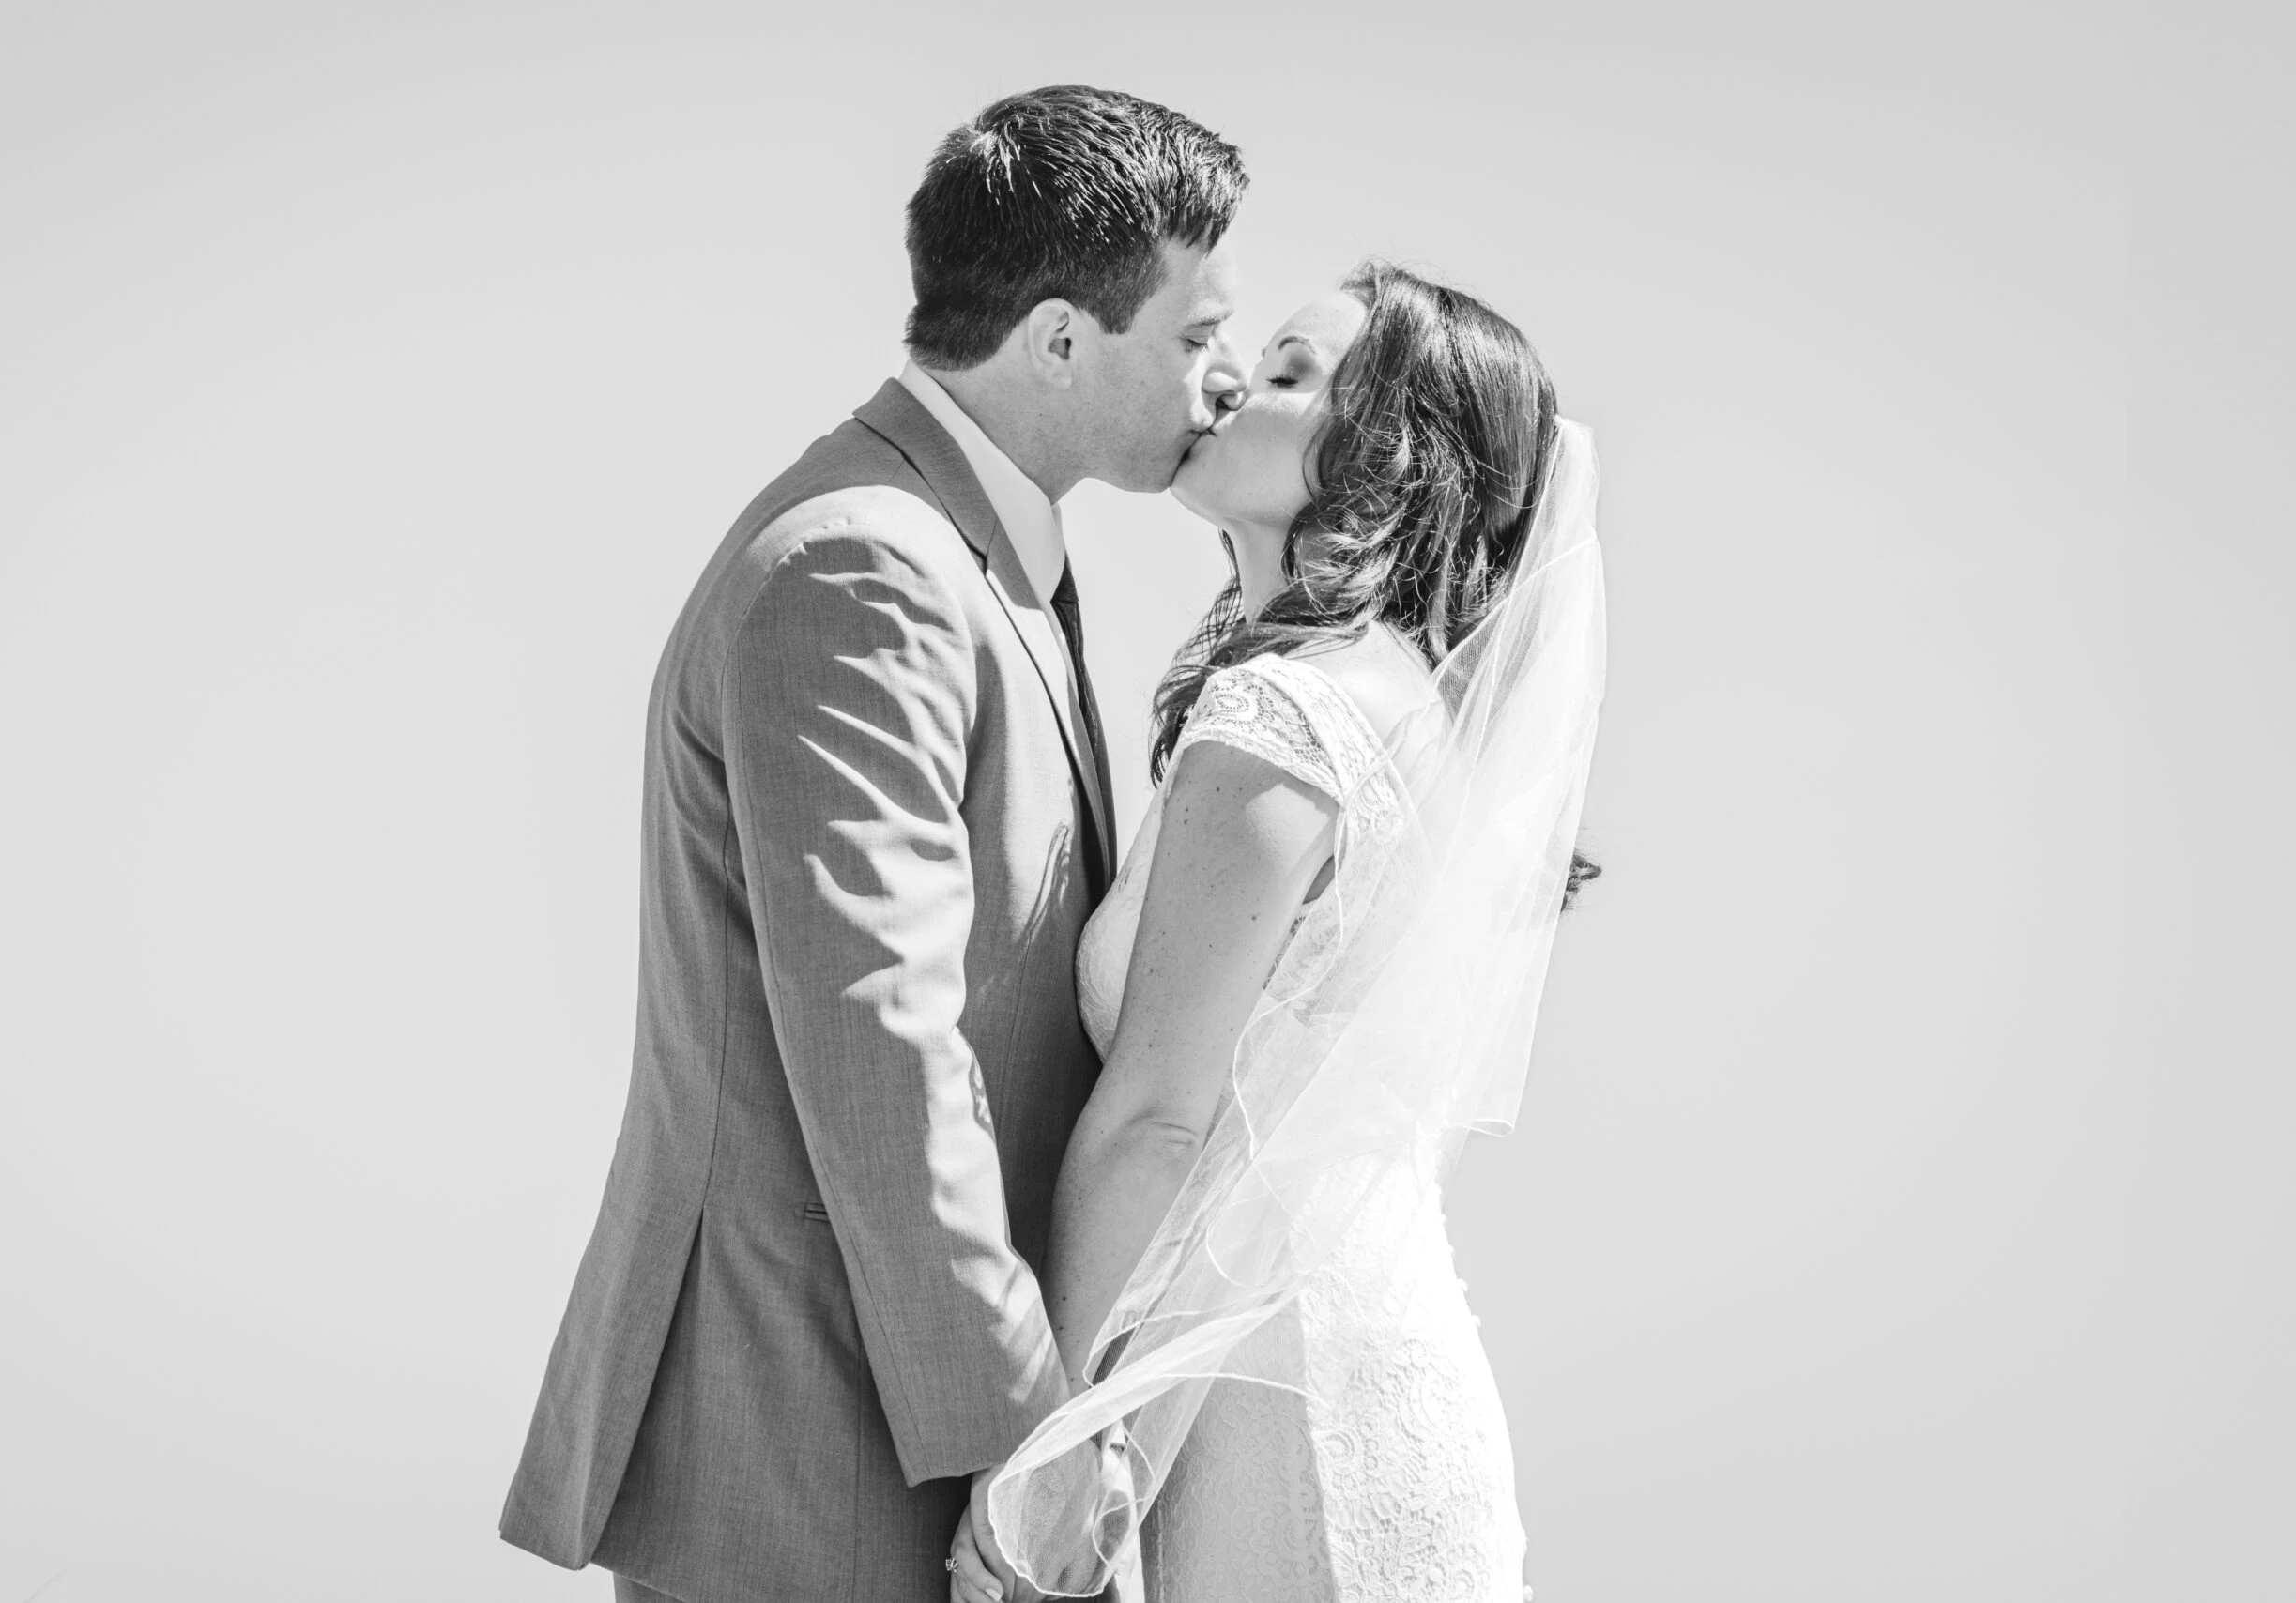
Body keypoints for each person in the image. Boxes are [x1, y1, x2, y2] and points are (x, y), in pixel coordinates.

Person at [497, 85, 1248, 1603]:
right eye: (1194, 336)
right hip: (817, 1438)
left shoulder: (975, 546)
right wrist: (1031, 1456)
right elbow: (884, 1050)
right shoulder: (867, 565)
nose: (1223, 379)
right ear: (1055, 339)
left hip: (890, 1418)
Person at [955, 262, 1607, 1601]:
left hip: (1290, 1407)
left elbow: (1161, 1123)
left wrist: (1051, 1462)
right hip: (1348, 1366)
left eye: (1298, 377)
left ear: (1387, 461)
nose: (1238, 380)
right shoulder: (1396, 713)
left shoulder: (1286, 721)